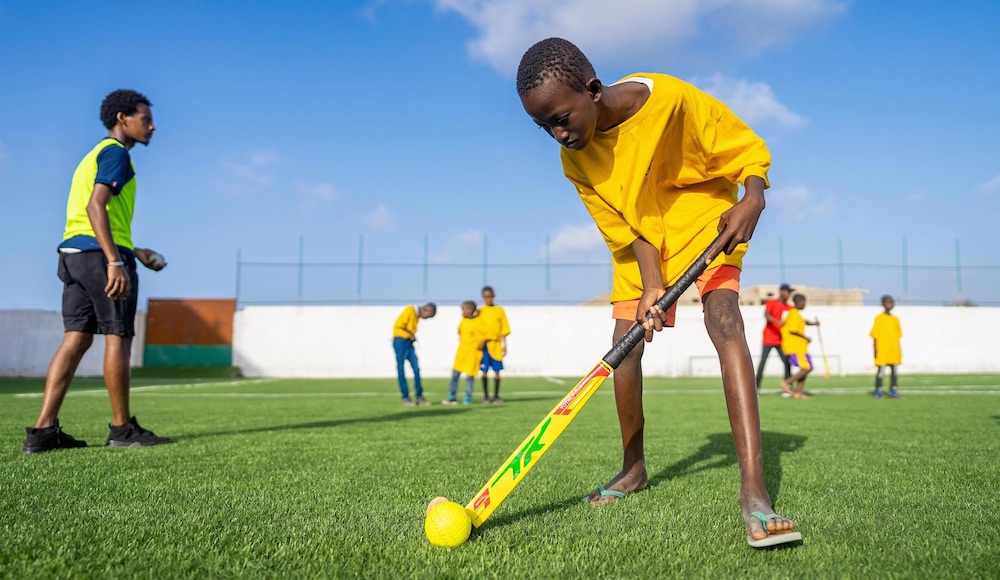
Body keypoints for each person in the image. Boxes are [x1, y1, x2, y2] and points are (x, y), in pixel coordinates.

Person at [516, 38, 800, 547]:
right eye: (545, 128)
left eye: (561, 118)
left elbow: (744, 150)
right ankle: (633, 468)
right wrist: (652, 286)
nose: (558, 135)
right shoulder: (574, 160)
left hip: (704, 216)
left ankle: (754, 491)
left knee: (725, 320)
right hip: (642, 242)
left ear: (594, 90)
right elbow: (628, 228)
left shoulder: (670, 99)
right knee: (624, 352)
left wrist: (754, 196)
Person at [22, 89, 170, 454]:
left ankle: (42, 432)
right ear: (123, 119)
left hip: (73, 255)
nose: (152, 126)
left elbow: (89, 216)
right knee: (117, 336)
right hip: (101, 258)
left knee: (76, 338)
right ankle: (122, 430)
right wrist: (116, 261)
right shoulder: (116, 154)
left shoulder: (93, 155)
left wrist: (134, 249)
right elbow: (96, 205)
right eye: (145, 119)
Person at [392, 302, 437, 406]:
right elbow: (398, 325)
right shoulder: (410, 309)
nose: (426, 319)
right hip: (400, 341)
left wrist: (411, 336)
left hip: (409, 343)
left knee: (416, 369)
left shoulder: (417, 316)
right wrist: (410, 334)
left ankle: (419, 396)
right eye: (428, 316)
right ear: (426, 310)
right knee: (401, 369)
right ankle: (405, 397)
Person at [443, 301, 485, 405]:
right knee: (454, 376)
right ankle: (452, 396)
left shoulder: (478, 322)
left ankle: (468, 397)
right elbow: (460, 333)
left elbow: (484, 335)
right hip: (461, 353)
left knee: (469, 377)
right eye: (463, 309)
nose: (464, 311)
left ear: (471, 310)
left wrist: (482, 342)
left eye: (466, 309)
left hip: (472, 353)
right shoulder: (463, 321)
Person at [755, 283, 794, 392]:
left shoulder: (790, 308)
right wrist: (778, 322)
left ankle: (788, 388)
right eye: (788, 292)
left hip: (781, 340)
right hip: (768, 339)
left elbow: (795, 320)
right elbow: (766, 315)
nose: (789, 294)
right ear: (782, 292)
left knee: (787, 363)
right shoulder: (771, 303)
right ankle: (756, 388)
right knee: (762, 363)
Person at [779, 294, 818, 399]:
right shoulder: (794, 313)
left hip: (800, 347)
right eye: (804, 301)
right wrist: (806, 337)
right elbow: (792, 329)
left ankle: (798, 392)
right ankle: (786, 383)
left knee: (807, 367)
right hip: (795, 347)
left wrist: (813, 323)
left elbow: (803, 322)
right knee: (806, 368)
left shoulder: (796, 314)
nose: (805, 304)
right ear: (799, 302)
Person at [478, 286, 511, 404]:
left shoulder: (499, 310)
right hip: (485, 346)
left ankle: (496, 395)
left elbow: (504, 329)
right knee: (484, 371)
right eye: (486, 297)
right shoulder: (480, 311)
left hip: (496, 345)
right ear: (483, 297)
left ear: (493, 296)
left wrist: (505, 345)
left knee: (497, 371)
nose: (488, 299)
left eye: (490, 296)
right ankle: (486, 396)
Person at [870, 294, 902, 399]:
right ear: (882, 304)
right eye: (888, 302)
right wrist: (875, 350)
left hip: (894, 350)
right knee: (881, 372)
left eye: (892, 302)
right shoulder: (879, 318)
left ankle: (893, 391)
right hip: (883, 350)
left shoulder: (895, 319)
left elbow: (898, 336)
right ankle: (878, 391)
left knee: (894, 373)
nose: (890, 304)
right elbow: (874, 335)